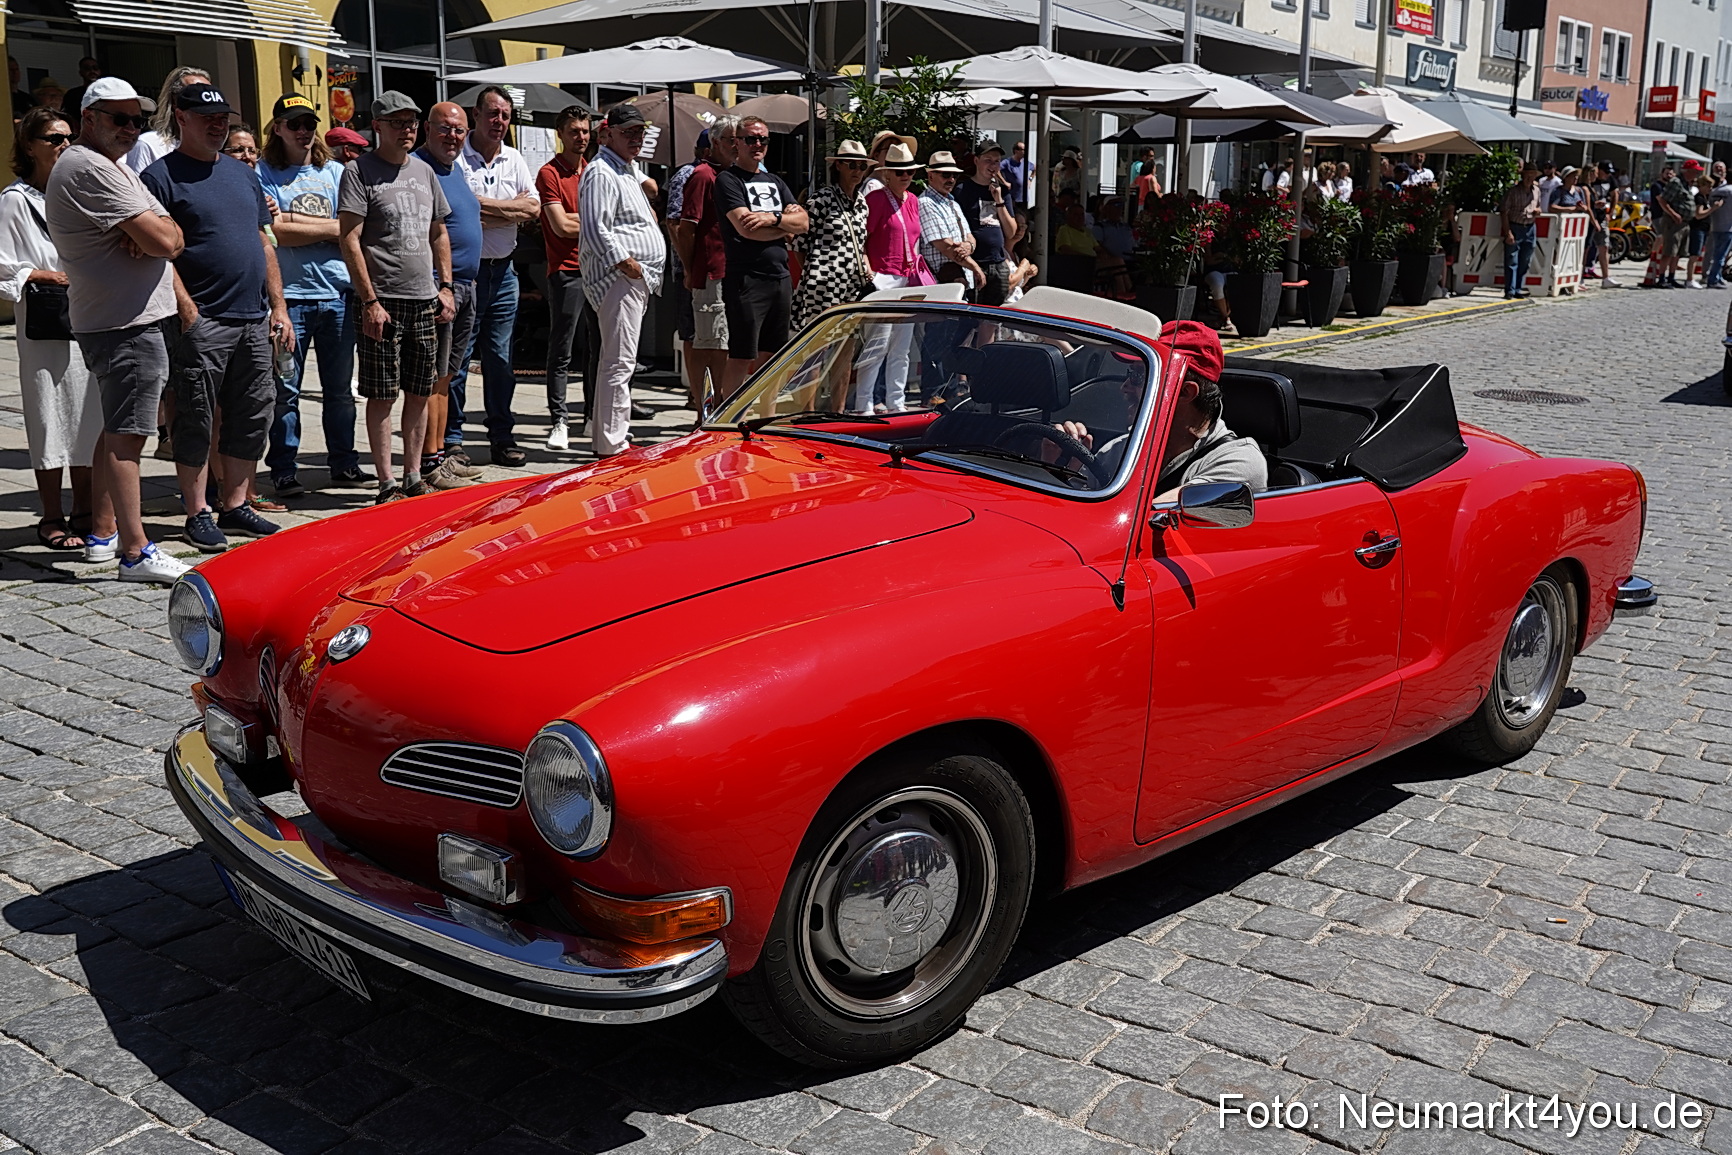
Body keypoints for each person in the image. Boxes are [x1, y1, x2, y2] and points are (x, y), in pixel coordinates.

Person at [44, 76, 189, 581]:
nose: (131, 128)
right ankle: (136, 551)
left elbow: (170, 233)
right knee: (129, 438)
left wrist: (151, 232)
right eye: (119, 118)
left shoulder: (113, 166)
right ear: (89, 119)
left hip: (122, 318)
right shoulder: (88, 166)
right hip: (124, 323)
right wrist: (149, 232)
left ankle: (105, 533)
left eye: (137, 120)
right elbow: (165, 241)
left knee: (116, 429)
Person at [141, 81, 293, 551]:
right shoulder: (160, 177)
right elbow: (155, 253)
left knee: (253, 413)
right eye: (207, 118)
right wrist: (187, 310)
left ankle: (236, 503)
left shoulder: (241, 174)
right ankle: (197, 511)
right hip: (203, 319)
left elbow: (262, 241)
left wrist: (278, 306)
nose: (217, 125)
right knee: (195, 417)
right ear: (181, 118)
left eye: (222, 118)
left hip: (253, 317)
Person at [336, 90, 456, 500]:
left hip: (424, 299)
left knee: (421, 389)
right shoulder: (359, 172)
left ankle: (413, 475)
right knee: (383, 393)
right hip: (383, 301)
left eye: (411, 122)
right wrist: (369, 301)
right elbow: (349, 239)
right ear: (377, 127)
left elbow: (438, 231)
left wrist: (445, 286)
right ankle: (387, 482)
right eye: (398, 122)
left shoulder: (424, 171)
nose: (407, 130)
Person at [0, 107, 102, 550]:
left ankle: (84, 509)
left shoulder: (78, 191)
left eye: (68, 137)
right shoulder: (15, 200)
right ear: (29, 146)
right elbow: (2, 264)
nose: (63, 145)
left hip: (87, 314)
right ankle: (51, 515)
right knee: (47, 413)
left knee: (87, 415)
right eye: (53, 138)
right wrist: (40, 274)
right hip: (43, 320)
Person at [258, 93, 369, 495]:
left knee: (339, 391)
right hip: (290, 299)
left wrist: (297, 222)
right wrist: (331, 228)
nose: (303, 131)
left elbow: (354, 228)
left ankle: (344, 463)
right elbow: (274, 232)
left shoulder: (336, 172)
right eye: (294, 124)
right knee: (285, 392)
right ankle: (284, 469)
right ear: (278, 129)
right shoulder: (263, 172)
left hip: (337, 294)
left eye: (309, 124)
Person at [1057, 321, 1265, 496]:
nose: (1125, 387)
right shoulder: (1118, 450)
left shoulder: (1240, 461)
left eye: (1140, 376)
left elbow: (1153, 518)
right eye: (1129, 373)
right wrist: (1065, 467)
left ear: (1185, 393)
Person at [451, 86, 536, 466]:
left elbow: (532, 209)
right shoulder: (456, 158)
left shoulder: (513, 158)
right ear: (476, 115)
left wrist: (481, 207)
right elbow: (455, 212)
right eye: (492, 114)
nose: (499, 121)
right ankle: (453, 441)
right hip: (464, 276)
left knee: (500, 362)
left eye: (505, 115)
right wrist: (508, 209)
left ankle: (501, 437)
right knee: (458, 361)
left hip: (504, 274)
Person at [578, 102, 665, 458]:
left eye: (640, 132)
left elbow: (649, 193)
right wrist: (628, 265)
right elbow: (596, 227)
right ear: (607, 133)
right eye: (628, 132)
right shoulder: (601, 171)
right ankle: (612, 445)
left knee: (618, 361)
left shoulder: (625, 168)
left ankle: (611, 438)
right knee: (619, 362)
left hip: (631, 278)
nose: (636, 138)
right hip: (619, 279)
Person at [414, 101, 484, 487]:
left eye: (459, 130)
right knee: (432, 378)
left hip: (465, 286)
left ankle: (440, 456)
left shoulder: (455, 169)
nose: (453, 136)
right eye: (445, 128)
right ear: (428, 128)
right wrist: (440, 285)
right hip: (440, 287)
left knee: (447, 377)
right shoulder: (418, 168)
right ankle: (428, 463)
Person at [715, 114, 807, 391]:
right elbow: (746, 229)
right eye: (751, 139)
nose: (758, 144)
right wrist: (783, 224)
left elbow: (803, 224)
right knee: (742, 354)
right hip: (746, 278)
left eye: (763, 139)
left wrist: (771, 219)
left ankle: (765, 412)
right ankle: (729, 412)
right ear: (737, 142)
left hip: (780, 278)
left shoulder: (776, 181)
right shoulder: (728, 180)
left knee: (773, 355)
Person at [536, 104, 599, 446]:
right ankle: (559, 420)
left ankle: (592, 416)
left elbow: (598, 220)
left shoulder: (593, 171)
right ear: (560, 134)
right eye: (574, 131)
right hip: (566, 269)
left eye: (585, 131)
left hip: (597, 269)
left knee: (597, 347)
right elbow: (561, 226)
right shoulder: (549, 173)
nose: (581, 137)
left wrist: (582, 221)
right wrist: (598, 223)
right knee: (562, 349)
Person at [851, 143, 930, 414]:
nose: (905, 176)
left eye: (909, 171)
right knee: (878, 345)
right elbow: (862, 238)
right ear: (886, 173)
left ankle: (896, 402)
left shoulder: (913, 200)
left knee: (901, 347)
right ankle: (863, 404)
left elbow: (915, 239)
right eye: (899, 172)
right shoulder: (875, 199)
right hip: (883, 277)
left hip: (907, 279)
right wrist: (868, 270)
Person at [674, 116, 737, 410]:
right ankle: (705, 409)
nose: (737, 146)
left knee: (726, 343)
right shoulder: (702, 175)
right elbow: (685, 228)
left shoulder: (734, 175)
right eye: (731, 140)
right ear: (715, 143)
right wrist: (690, 269)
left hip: (734, 272)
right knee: (709, 343)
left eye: (741, 140)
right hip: (711, 272)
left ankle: (720, 405)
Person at [789, 138, 871, 332]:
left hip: (853, 285)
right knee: (821, 340)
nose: (857, 171)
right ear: (839, 166)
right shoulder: (822, 199)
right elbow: (799, 243)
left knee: (848, 340)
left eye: (862, 166)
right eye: (851, 165)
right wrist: (816, 272)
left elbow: (860, 244)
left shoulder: (862, 203)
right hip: (824, 285)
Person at [665, 128, 707, 410]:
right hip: (688, 269)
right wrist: (687, 266)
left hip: (715, 269)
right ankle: (695, 392)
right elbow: (673, 223)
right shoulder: (686, 175)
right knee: (692, 334)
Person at [955, 140, 1016, 306]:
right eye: (988, 160)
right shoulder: (962, 190)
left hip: (998, 262)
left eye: (996, 161)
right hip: (974, 263)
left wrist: (999, 201)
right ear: (976, 161)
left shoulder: (1003, 192)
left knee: (994, 316)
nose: (992, 166)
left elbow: (1011, 232)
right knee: (972, 313)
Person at [126, 67, 209, 173]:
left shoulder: (211, 146)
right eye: (194, 94)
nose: (205, 100)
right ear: (174, 101)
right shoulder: (148, 145)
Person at [917, 150, 979, 292]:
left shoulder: (953, 203)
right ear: (930, 176)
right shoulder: (926, 203)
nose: (951, 179)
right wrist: (975, 267)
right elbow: (945, 246)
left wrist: (968, 246)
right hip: (941, 285)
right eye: (946, 175)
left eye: (954, 175)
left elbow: (970, 237)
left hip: (963, 280)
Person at [1500, 162, 1542, 299]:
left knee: (1525, 260)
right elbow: (1504, 212)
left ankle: (1518, 287)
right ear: (1523, 176)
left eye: (1532, 176)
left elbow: (1539, 206)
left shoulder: (1537, 191)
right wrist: (1508, 232)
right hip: (1515, 226)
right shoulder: (1513, 192)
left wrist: (1538, 211)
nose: (1530, 178)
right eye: (1527, 175)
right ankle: (1510, 290)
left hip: (1530, 227)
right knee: (1512, 260)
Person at [1651, 162, 1694, 288]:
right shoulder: (1676, 182)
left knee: (1678, 253)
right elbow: (1663, 200)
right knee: (1669, 251)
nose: (1696, 174)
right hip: (1673, 222)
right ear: (1687, 171)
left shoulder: (1686, 184)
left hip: (1684, 223)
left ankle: (1671, 277)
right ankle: (1662, 278)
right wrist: (1673, 214)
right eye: (1694, 171)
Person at [1584, 161, 1621, 288]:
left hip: (1602, 216)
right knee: (1586, 247)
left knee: (1604, 245)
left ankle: (1606, 277)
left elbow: (1615, 194)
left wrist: (1610, 212)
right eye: (1605, 172)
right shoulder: (1589, 183)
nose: (1607, 175)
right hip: (1589, 217)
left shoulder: (1610, 180)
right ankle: (1580, 275)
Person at [1705, 165, 1732, 289]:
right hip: (1728, 227)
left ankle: (1718, 276)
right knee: (1721, 256)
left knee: (1716, 253)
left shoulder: (1715, 191)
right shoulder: (1730, 191)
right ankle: (1713, 279)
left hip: (1715, 225)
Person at [1687, 170, 1714, 288]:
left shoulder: (1704, 197)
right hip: (1697, 228)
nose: (1710, 189)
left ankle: (1691, 278)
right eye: (1708, 186)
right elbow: (1698, 214)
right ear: (1702, 186)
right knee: (1694, 255)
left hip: (1703, 229)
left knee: (1697, 255)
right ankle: (1690, 279)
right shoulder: (1699, 198)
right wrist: (1713, 209)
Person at [1000, 141, 1029, 208]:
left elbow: (1035, 168)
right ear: (1016, 151)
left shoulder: (1025, 162)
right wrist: (1004, 182)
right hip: (1012, 198)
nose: (1025, 152)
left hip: (1024, 198)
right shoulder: (1007, 162)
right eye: (1023, 150)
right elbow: (996, 170)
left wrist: (1030, 179)